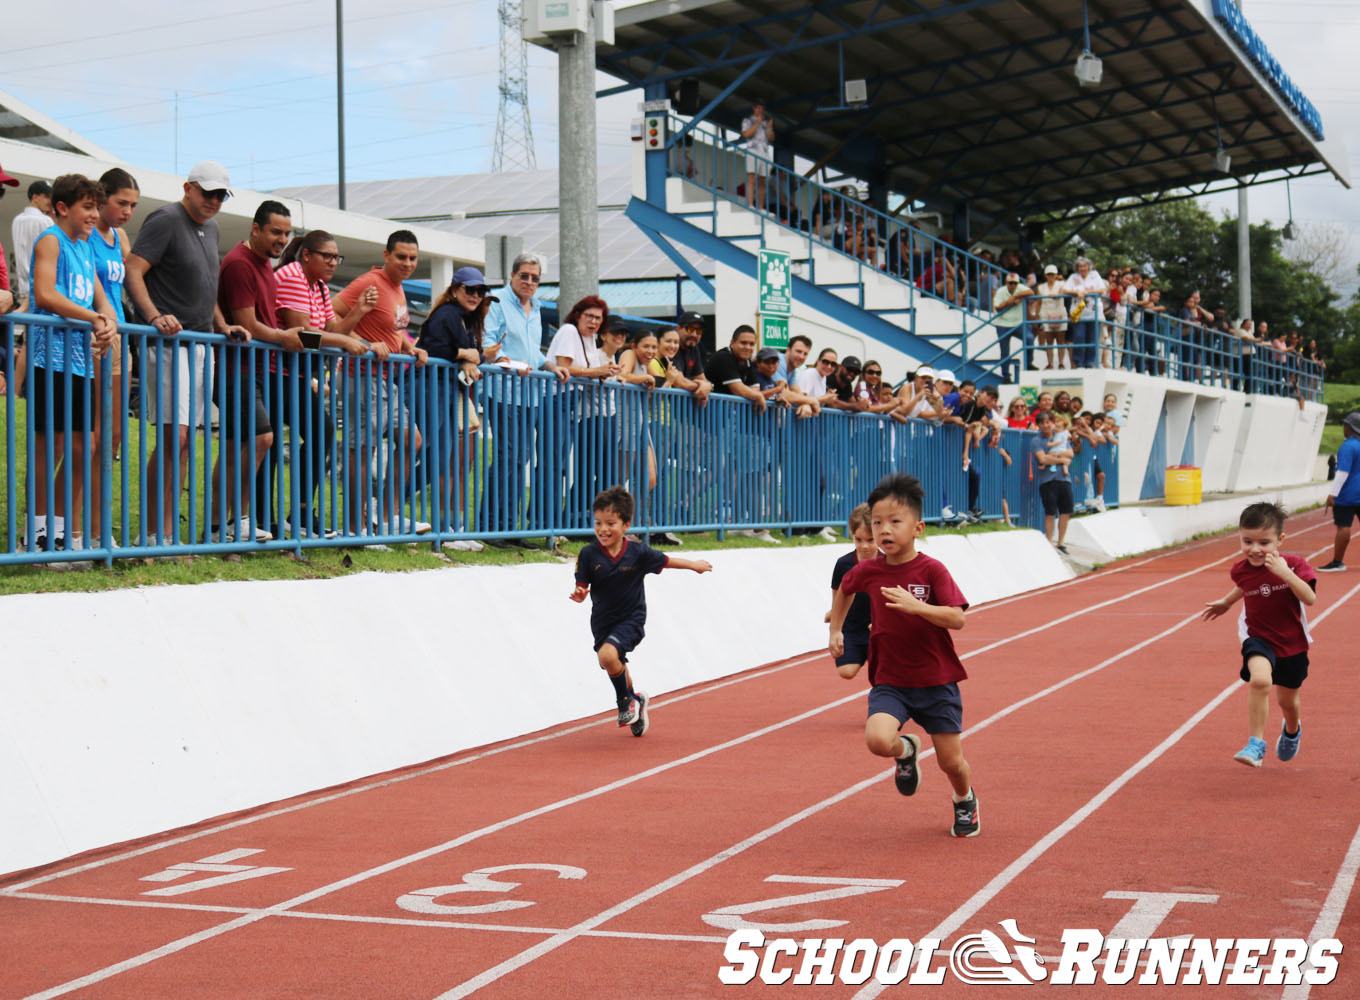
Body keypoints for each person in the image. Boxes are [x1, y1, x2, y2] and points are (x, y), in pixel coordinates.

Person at [828, 473, 979, 838]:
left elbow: (957, 618)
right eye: (877, 522)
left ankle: (964, 800)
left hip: (936, 681)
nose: (884, 530)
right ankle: (905, 749)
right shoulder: (868, 570)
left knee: (951, 763)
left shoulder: (931, 570)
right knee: (878, 740)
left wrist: (918, 606)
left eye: (895, 522)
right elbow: (845, 589)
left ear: (918, 528)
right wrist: (836, 628)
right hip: (891, 680)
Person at [125, 161, 247, 543]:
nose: (213, 201)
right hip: (169, 343)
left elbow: (206, 286)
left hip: (201, 343)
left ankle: (164, 533)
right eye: (207, 192)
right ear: (188, 188)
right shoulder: (165, 218)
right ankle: (153, 532)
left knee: (186, 440)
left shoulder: (210, 228)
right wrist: (154, 316)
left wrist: (223, 325)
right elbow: (134, 270)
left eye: (220, 195)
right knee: (174, 437)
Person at [569, 486, 712, 736]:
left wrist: (695, 566)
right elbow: (582, 586)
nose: (603, 529)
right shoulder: (589, 554)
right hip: (602, 622)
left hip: (630, 619)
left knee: (607, 656)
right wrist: (580, 594)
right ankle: (635, 699)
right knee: (613, 662)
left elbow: (667, 561)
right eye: (598, 523)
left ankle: (625, 703)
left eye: (610, 523)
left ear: (626, 524)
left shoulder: (638, 553)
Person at [24, 173, 118, 552]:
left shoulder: (84, 247)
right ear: (63, 208)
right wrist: (94, 320)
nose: (95, 214)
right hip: (51, 360)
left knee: (84, 447)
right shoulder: (51, 240)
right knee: (52, 447)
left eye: (96, 206)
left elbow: (102, 300)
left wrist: (108, 322)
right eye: (88, 207)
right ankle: (39, 532)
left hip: (80, 363)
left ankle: (61, 532)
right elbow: (45, 294)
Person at [215, 200, 314, 542]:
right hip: (244, 367)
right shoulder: (254, 267)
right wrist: (286, 337)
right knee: (262, 440)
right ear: (255, 228)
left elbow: (270, 324)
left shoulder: (270, 268)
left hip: (266, 368)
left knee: (242, 446)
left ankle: (235, 523)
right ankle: (236, 521)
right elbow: (254, 324)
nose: (283, 240)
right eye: (275, 231)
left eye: (287, 233)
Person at [273, 229, 374, 538]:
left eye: (336, 257)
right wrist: (344, 339)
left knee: (322, 430)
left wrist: (357, 312)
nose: (333, 262)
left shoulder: (317, 284)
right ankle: (272, 517)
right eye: (327, 256)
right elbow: (302, 332)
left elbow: (331, 327)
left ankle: (300, 513)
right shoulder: (292, 275)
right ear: (307, 255)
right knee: (290, 436)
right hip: (280, 371)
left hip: (300, 373)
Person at [1202, 502, 1318, 767]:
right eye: (1247, 541)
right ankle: (1256, 744)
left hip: (1292, 643)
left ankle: (1292, 730)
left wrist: (1285, 574)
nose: (1254, 549)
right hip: (1258, 638)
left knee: (1288, 702)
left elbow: (1309, 598)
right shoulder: (1240, 569)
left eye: (1264, 543)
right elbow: (1245, 585)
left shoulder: (1295, 565)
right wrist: (1227, 602)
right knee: (1261, 681)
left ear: (1280, 540)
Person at [333, 229, 431, 536]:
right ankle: (356, 527)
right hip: (359, 377)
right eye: (401, 256)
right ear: (386, 255)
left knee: (411, 441)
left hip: (386, 380)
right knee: (362, 450)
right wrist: (362, 341)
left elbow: (393, 329)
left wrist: (409, 346)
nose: (407, 263)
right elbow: (329, 317)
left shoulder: (398, 288)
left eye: (413, 258)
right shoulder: (370, 282)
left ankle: (385, 518)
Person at [479, 251, 570, 546]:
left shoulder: (536, 307)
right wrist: (502, 357)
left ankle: (511, 528)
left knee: (522, 458)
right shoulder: (495, 301)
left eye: (535, 278)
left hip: (529, 394)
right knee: (508, 456)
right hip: (502, 388)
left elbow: (532, 351)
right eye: (524, 276)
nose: (529, 282)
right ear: (512, 276)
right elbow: (487, 340)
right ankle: (492, 526)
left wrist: (549, 365)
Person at [415, 266, 496, 549]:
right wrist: (465, 354)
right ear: (455, 289)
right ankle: (380, 509)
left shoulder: (465, 319)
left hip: (449, 391)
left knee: (444, 461)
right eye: (470, 290)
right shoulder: (447, 314)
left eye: (481, 292)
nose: (476, 297)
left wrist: (473, 357)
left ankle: (447, 529)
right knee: (424, 454)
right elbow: (431, 348)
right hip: (430, 388)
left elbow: (469, 353)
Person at [87, 167, 139, 545]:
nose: (127, 211)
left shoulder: (120, 236)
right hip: (93, 336)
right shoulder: (84, 232)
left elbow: (132, 281)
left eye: (133, 205)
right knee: (91, 434)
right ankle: (77, 524)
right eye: (122, 203)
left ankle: (98, 524)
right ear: (102, 197)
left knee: (115, 434)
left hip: (121, 335)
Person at [827, 503, 876, 680]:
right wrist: (835, 623)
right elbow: (837, 596)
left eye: (870, 540)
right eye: (858, 540)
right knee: (846, 672)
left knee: (881, 675)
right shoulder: (843, 564)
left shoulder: (888, 563)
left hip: (878, 628)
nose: (864, 546)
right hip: (852, 627)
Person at [1318, 411, 1360, 572]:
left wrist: (1332, 494)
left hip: (1348, 495)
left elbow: (1342, 472)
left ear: (1349, 427)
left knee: (1344, 527)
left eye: (1345, 424)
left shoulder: (1348, 446)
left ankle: (1337, 562)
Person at [1031, 409, 1074, 553]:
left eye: (1048, 422)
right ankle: (1049, 540)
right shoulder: (1037, 440)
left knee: (1066, 511)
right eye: (1042, 423)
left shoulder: (1060, 436)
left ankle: (1061, 542)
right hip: (1047, 480)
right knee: (1050, 511)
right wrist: (1061, 459)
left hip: (1063, 478)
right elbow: (1042, 458)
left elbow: (1070, 453)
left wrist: (1057, 456)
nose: (1046, 425)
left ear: (1052, 423)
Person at [11, 178, 54, 314]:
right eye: (46, 197)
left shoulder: (17, 220)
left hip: (24, 288)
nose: (50, 201)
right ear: (35, 197)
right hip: (42, 289)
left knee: (27, 331)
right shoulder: (46, 221)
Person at [1062, 256, 1106, 369]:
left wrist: (1087, 292)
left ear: (1088, 267)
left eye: (1084, 266)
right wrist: (1076, 292)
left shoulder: (1094, 275)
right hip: (1079, 311)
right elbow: (1065, 290)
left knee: (1092, 338)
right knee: (1079, 336)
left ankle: (1090, 362)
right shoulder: (1073, 277)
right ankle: (1079, 362)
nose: (1082, 268)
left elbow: (1102, 290)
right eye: (1080, 266)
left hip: (1093, 311)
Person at [991, 272, 1033, 381]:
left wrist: (1016, 296)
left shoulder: (1020, 288)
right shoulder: (1001, 291)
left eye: (1015, 283)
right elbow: (998, 307)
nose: (1013, 285)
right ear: (1006, 283)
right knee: (1005, 351)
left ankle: (1029, 364)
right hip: (1002, 324)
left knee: (1029, 339)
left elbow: (1031, 292)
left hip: (1018, 323)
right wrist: (1010, 302)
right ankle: (1006, 376)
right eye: (1010, 283)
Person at [741, 99, 775, 210]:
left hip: (764, 151)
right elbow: (746, 134)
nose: (760, 110)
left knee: (763, 180)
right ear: (754, 108)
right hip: (753, 151)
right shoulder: (747, 120)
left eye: (762, 108)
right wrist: (758, 123)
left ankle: (760, 207)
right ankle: (750, 204)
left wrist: (769, 127)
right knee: (751, 177)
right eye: (758, 108)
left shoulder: (766, 123)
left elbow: (771, 138)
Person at [1033, 264, 1069, 370]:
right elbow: (1038, 302)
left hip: (1059, 313)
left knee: (1060, 339)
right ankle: (1050, 363)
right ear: (1046, 275)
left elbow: (1065, 289)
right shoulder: (1041, 287)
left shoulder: (1062, 284)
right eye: (1049, 274)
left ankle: (1061, 363)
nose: (1051, 276)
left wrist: (1059, 293)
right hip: (1046, 314)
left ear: (1056, 275)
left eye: (1053, 274)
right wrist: (1037, 316)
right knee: (1049, 339)